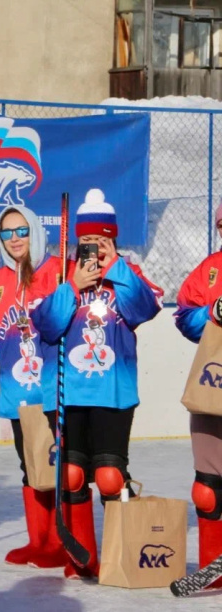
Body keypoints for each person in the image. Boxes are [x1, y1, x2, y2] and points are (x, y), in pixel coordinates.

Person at [31, 188, 163, 580]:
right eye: (86, 242)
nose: (93, 249)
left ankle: (122, 553)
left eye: (100, 241)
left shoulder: (127, 273)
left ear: (113, 239)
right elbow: (47, 326)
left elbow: (145, 309)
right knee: (71, 474)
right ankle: (81, 558)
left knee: (108, 474)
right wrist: (71, 285)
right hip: (67, 392)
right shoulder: (58, 273)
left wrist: (116, 267)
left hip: (114, 392)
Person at [0, 205, 65, 569]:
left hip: (52, 390)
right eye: (7, 233)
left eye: (21, 230)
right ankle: (38, 540)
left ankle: (59, 540)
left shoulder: (57, 272)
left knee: (57, 466)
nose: (14, 239)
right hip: (16, 392)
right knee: (29, 466)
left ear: (36, 231)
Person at [173, 201, 222, 591]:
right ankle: (213, 568)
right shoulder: (210, 269)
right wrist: (211, 312)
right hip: (213, 390)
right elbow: (183, 316)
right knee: (207, 489)